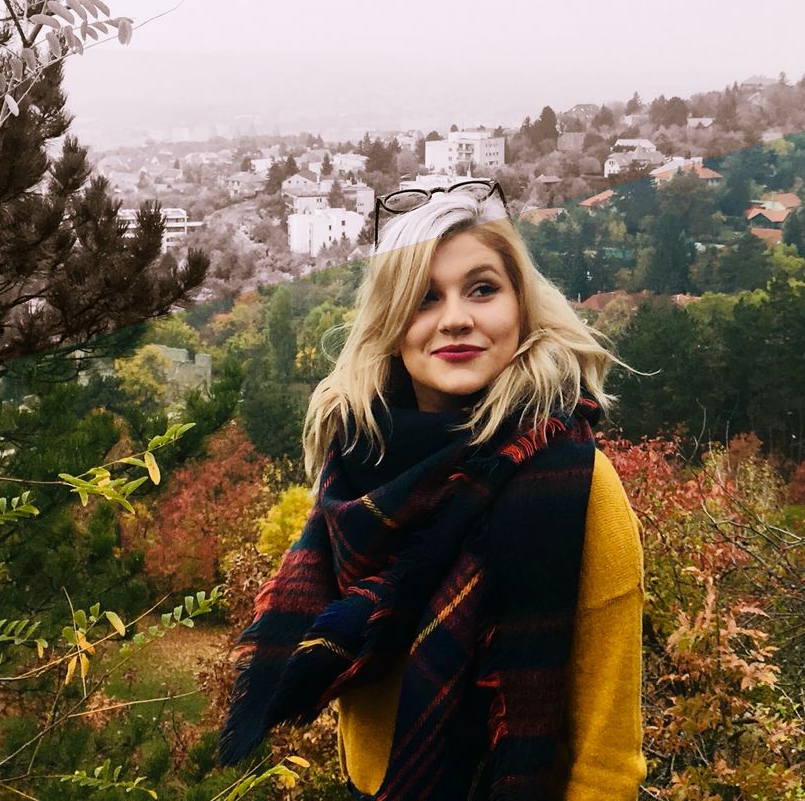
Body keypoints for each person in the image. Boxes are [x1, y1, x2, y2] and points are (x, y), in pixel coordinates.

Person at [219, 180, 647, 800]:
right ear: (391, 325)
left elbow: (608, 760)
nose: (455, 318)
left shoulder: (574, 483)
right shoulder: (361, 462)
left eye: (482, 288)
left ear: (520, 306)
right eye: (424, 298)